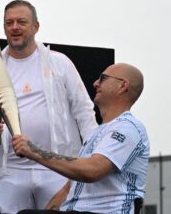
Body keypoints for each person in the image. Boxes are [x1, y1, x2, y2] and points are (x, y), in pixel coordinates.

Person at [0, 0, 98, 213]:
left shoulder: (59, 63)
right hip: (12, 171)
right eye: (9, 23)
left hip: (58, 167)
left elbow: (84, 111)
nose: (15, 27)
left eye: (21, 22)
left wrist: (92, 158)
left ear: (36, 27)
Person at [14, 63, 149, 214]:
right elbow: (69, 188)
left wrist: (34, 152)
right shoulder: (95, 132)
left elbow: (93, 170)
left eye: (103, 78)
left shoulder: (128, 127)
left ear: (123, 86)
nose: (95, 83)